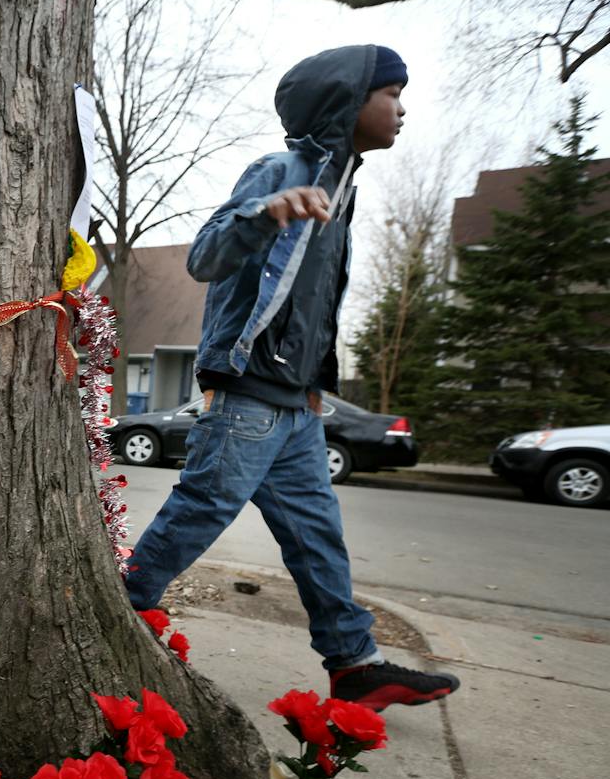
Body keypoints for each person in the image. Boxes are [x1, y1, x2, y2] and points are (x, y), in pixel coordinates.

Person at [123, 45, 459, 712]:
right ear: (346, 101)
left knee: (318, 536)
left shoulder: (339, 189)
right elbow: (204, 257)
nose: (401, 109)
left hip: (299, 411)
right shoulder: (283, 171)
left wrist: (315, 388)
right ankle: (122, 609)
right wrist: (267, 211)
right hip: (250, 395)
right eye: (391, 93)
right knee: (202, 509)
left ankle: (355, 664)